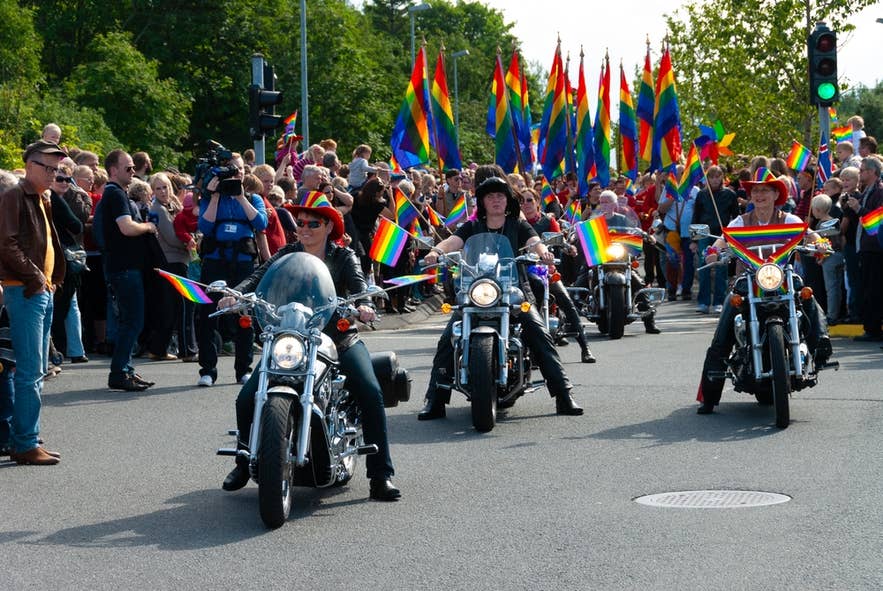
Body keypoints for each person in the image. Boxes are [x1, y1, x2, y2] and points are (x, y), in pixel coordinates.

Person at [219, 198, 401, 501]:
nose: (304, 229)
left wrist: (364, 304)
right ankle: (244, 460)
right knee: (246, 399)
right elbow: (257, 278)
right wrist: (235, 295)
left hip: (337, 338)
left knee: (370, 391)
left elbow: (357, 285)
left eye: (312, 223)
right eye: (300, 223)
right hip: (290, 337)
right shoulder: (287, 255)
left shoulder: (343, 256)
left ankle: (381, 475)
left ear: (329, 227)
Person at [417, 177, 584, 420]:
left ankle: (563, 394)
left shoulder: (518, 225)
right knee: (448, 337)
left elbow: (534, 241)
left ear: (507, 201)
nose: (495, 200)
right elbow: (453, 241)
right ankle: (435, 399)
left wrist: (543, 252)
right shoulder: (472, 227)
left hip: (514, 291)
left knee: (539, 333)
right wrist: (436, 251)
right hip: (477, 291)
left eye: (500, 196)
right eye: (490, 196)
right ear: (482, 202)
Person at [696, 168, 833, 414]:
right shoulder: (741, 221)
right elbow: (724, 239)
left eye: (765, 190)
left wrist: (820, 243)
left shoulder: (788, 219)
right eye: (755, 191)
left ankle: (820, 343)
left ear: (775, 194)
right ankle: (710, 392)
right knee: (729, 312)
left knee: (806, 294)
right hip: (748, 280)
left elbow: (808, 234)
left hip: (781, 279)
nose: (759, 195)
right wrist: (713, 251)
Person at [0, 140, 67, 464]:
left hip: (39, 291)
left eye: (57, 169)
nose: (54, 174)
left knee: (35, 370)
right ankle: (25, 443)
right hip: (26, 292)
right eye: (49, 168)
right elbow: (6, 244)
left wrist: (49, 282)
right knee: (29, 371)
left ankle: (27, 437)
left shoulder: (41, 198)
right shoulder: (14, 196)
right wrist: (37, 278)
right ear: (30, 165)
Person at [196, 157, 268, 386]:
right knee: (207, 315)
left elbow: (261, 223)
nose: (236, 174)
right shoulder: (210, 198)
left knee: (243, 314)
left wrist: (240, 196)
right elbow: (205, 227)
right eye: (232, 171)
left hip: (243, 263)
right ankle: (208, 370)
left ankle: (243, 370)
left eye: (239, 170)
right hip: (215, 262)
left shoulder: (253, 198)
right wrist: (215, 195)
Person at [100, 149, 159, 392]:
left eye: (134, 167)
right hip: (124, 269)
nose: (133, 171)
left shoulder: (116, 194)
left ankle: (126, 370)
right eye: (128, 167)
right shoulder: (115, 194)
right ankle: (120, 372)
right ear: (113, 170)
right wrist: (147, 226)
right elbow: (126, 228)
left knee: (130, 321)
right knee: (132, 322)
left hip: (123, 267)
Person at [518, 187, 596, 363]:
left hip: (546, 271)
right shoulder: (516, 223)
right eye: (521, 201)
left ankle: (585, 347)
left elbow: (560, 238)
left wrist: (569, 248)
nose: (526, 204)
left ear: (538, 202)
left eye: (530, 200)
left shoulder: (547, 221)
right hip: (523, 272)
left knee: (566, 301)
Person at [690, 166, 740, 313]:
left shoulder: (730, 194)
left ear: (722, 178)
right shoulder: (702, 195)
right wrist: (694, 240)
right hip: (704, 234)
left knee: (721, 267)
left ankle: (719, 301)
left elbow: (736, 216)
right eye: (711, 177)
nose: (715, 180)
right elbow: (696, 217)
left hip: (722, 235)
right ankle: (703, 302)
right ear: (707, 179)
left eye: (717, 177)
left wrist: (733, 236)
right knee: (704, 267)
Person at [844, 157, 883, 341]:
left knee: (873, 288)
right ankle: (871, 326)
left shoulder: (879, 191)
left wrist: (858, 208)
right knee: (866, 287)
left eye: (863, 170)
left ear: (872, 172)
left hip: (875, 247)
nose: (860, 173)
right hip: (865, 246)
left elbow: (876, 222)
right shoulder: (866, 190)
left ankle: (873, 329)